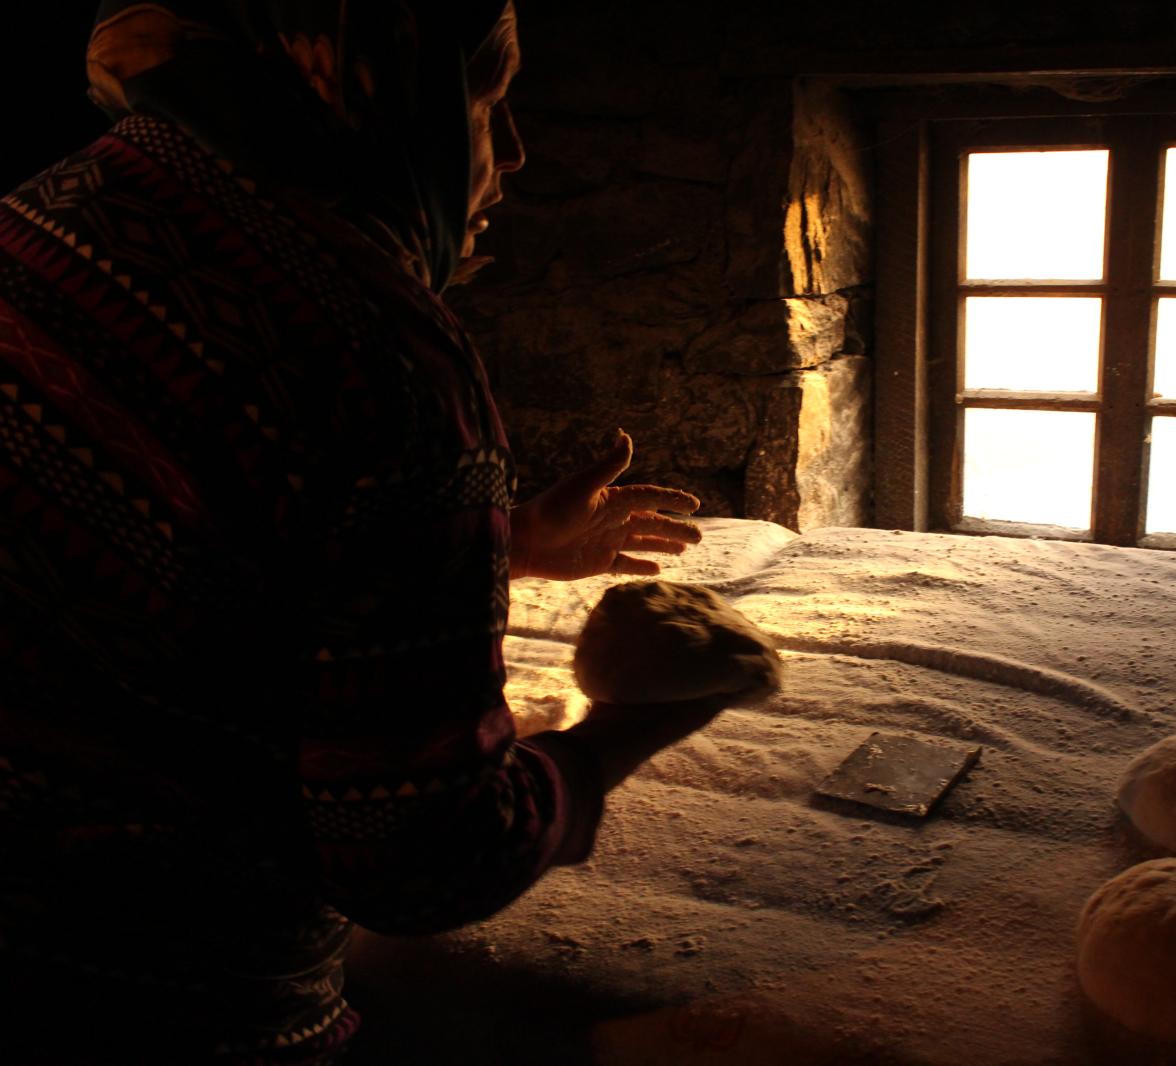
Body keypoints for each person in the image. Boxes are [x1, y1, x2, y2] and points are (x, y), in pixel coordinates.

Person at [0, 2, 716, 1061]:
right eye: (485, 94)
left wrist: (499, 543)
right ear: (376, 78)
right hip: (151, 998)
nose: (511, 152)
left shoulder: (52, 206)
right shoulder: (380, 360)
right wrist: (636, 719)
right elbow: (417, 856)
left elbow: (165, 542)